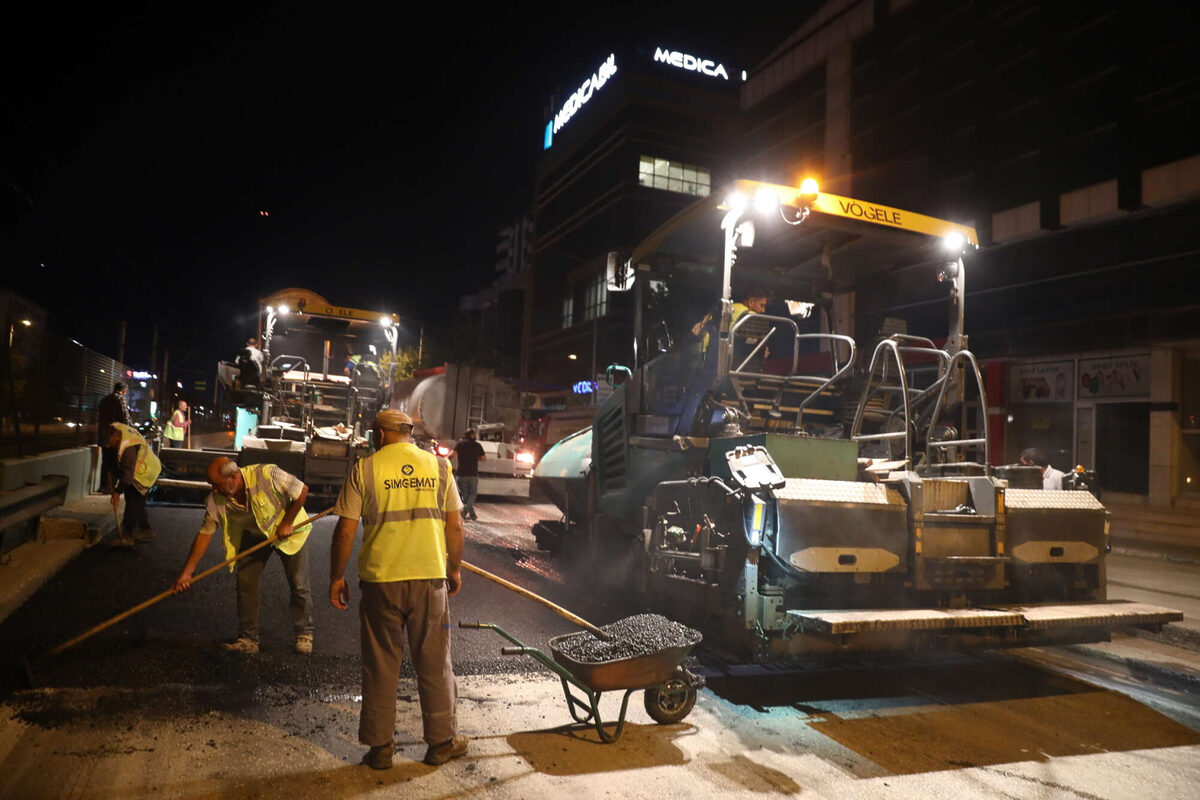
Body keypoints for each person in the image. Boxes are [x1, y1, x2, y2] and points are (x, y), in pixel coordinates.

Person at [329, 409, 466, 770]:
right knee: (435, 664)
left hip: (380, 582)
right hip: (427, 580)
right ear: (407, 432)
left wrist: (336, 576)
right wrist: (453, 567)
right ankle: (440, 744)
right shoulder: (438, 467)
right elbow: (456, 527)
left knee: (380, 665)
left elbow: (345, 530)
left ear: (380, 434)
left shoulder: (366, 469)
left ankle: (380, 749)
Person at [173, 457, 314, 655]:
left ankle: (304, 634)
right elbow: (205, 533)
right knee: (246, 582)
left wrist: (287, 522)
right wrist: (187, 573)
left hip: (288, 532)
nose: (214, 490)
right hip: (255, 534)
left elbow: (302, 490)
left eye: (217, 484)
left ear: (233, 476)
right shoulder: (216, 499)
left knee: (298, 584)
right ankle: (248, 639)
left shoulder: (268, 474)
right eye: (212, 485)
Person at [106, 422, 161, 547]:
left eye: (109, 441)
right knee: (138, 501)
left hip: (144, 472)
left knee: (133, 500)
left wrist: (117, 492)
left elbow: (127, 477)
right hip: (147, 467)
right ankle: (145, 529)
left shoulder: (128, 447)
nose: (108, 445)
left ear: (116, 436)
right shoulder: (119, 429)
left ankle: (128, 535)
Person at [97, 382, 131, 490]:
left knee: (105, 461)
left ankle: (104, 485)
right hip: (114, 436)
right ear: (124, 391)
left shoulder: (104, 399)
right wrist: (131, 429)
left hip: (103, 435)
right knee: (115, 461)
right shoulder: (120, 399)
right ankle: (112, 487)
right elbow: (125, 417)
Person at [452, 428, 485, 521]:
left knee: (464, 495)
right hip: (473, 474)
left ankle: (465, 514)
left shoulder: (460, 444)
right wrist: (474, 458)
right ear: (472, 435)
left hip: (461, 474)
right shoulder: (477, 445)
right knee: (472, 494)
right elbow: (483, 457)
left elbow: (451, 455)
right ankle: (471, 513)